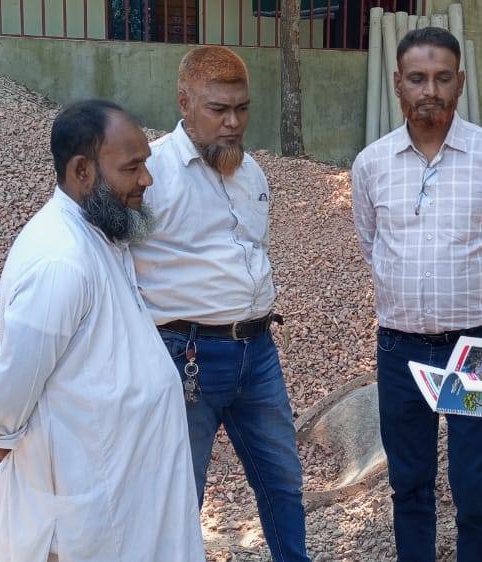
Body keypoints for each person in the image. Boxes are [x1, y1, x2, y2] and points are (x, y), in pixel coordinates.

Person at [0, 100, 204, 562]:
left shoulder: (99, 234)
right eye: (132, 168)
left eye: (145, 165)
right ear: (82, 171)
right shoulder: (60, 260)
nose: (147, 180)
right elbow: (15, 379)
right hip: (85, 508)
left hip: (118, 490)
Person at [350, 27, 482, 562]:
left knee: (477, 488)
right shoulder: (371, 163)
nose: (429, 90)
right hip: (400, 348)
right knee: (409, 484)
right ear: (397, 84)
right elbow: (372, 244)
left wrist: (475, 299)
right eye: (417, 78)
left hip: (478, 344)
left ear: (460, 82)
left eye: (441, 78)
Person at [131, 45, 311, 562]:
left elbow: (255, 251)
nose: (233, 123)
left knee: (283, 481)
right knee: (179, 492)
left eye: (242, 108)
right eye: (219, 110)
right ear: (184, 103)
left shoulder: (251, 172)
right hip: (184, 354)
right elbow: (115, 270)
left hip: (258, 353)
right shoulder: (150, 175)